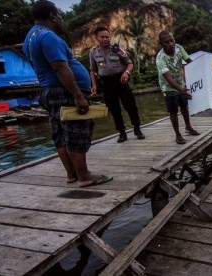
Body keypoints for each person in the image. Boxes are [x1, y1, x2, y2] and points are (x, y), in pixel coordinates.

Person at [23, 0, 112, 187]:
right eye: (60, 15)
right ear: (53, 16)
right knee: (76, 131)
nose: (61, 19)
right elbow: (60, 67)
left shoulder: (30, 37)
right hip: (63, 91)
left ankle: (72, 174)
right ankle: (84, 176)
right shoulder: (48, 37)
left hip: (50, 90)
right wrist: (78, 95)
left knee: (60, 133)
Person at [89, 26, 144, 143]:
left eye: (107, 37)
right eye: (102, 37)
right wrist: (94, 85)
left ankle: (137, 129)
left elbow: (129, 63)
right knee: (114, 110)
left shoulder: (117, 49)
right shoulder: (93, 52)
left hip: (121, 81)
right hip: (106, 84)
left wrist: (126, 72)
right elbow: (92, 70)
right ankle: (122, 133)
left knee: (131, 106)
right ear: (97, 38)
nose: (105, 39)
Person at [156, 30, 199, 144]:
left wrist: (201, 70)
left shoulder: (179, 48)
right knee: (173, 110)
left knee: (184, 106)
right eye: (167, 42)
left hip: (181, 83)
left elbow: (189, 61)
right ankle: (178, 135)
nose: (170, 44)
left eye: (172, 40)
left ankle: (188, 127)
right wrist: (181, 90)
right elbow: (169, 79)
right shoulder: (160, 58)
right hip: (168, 87)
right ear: (162, 44)